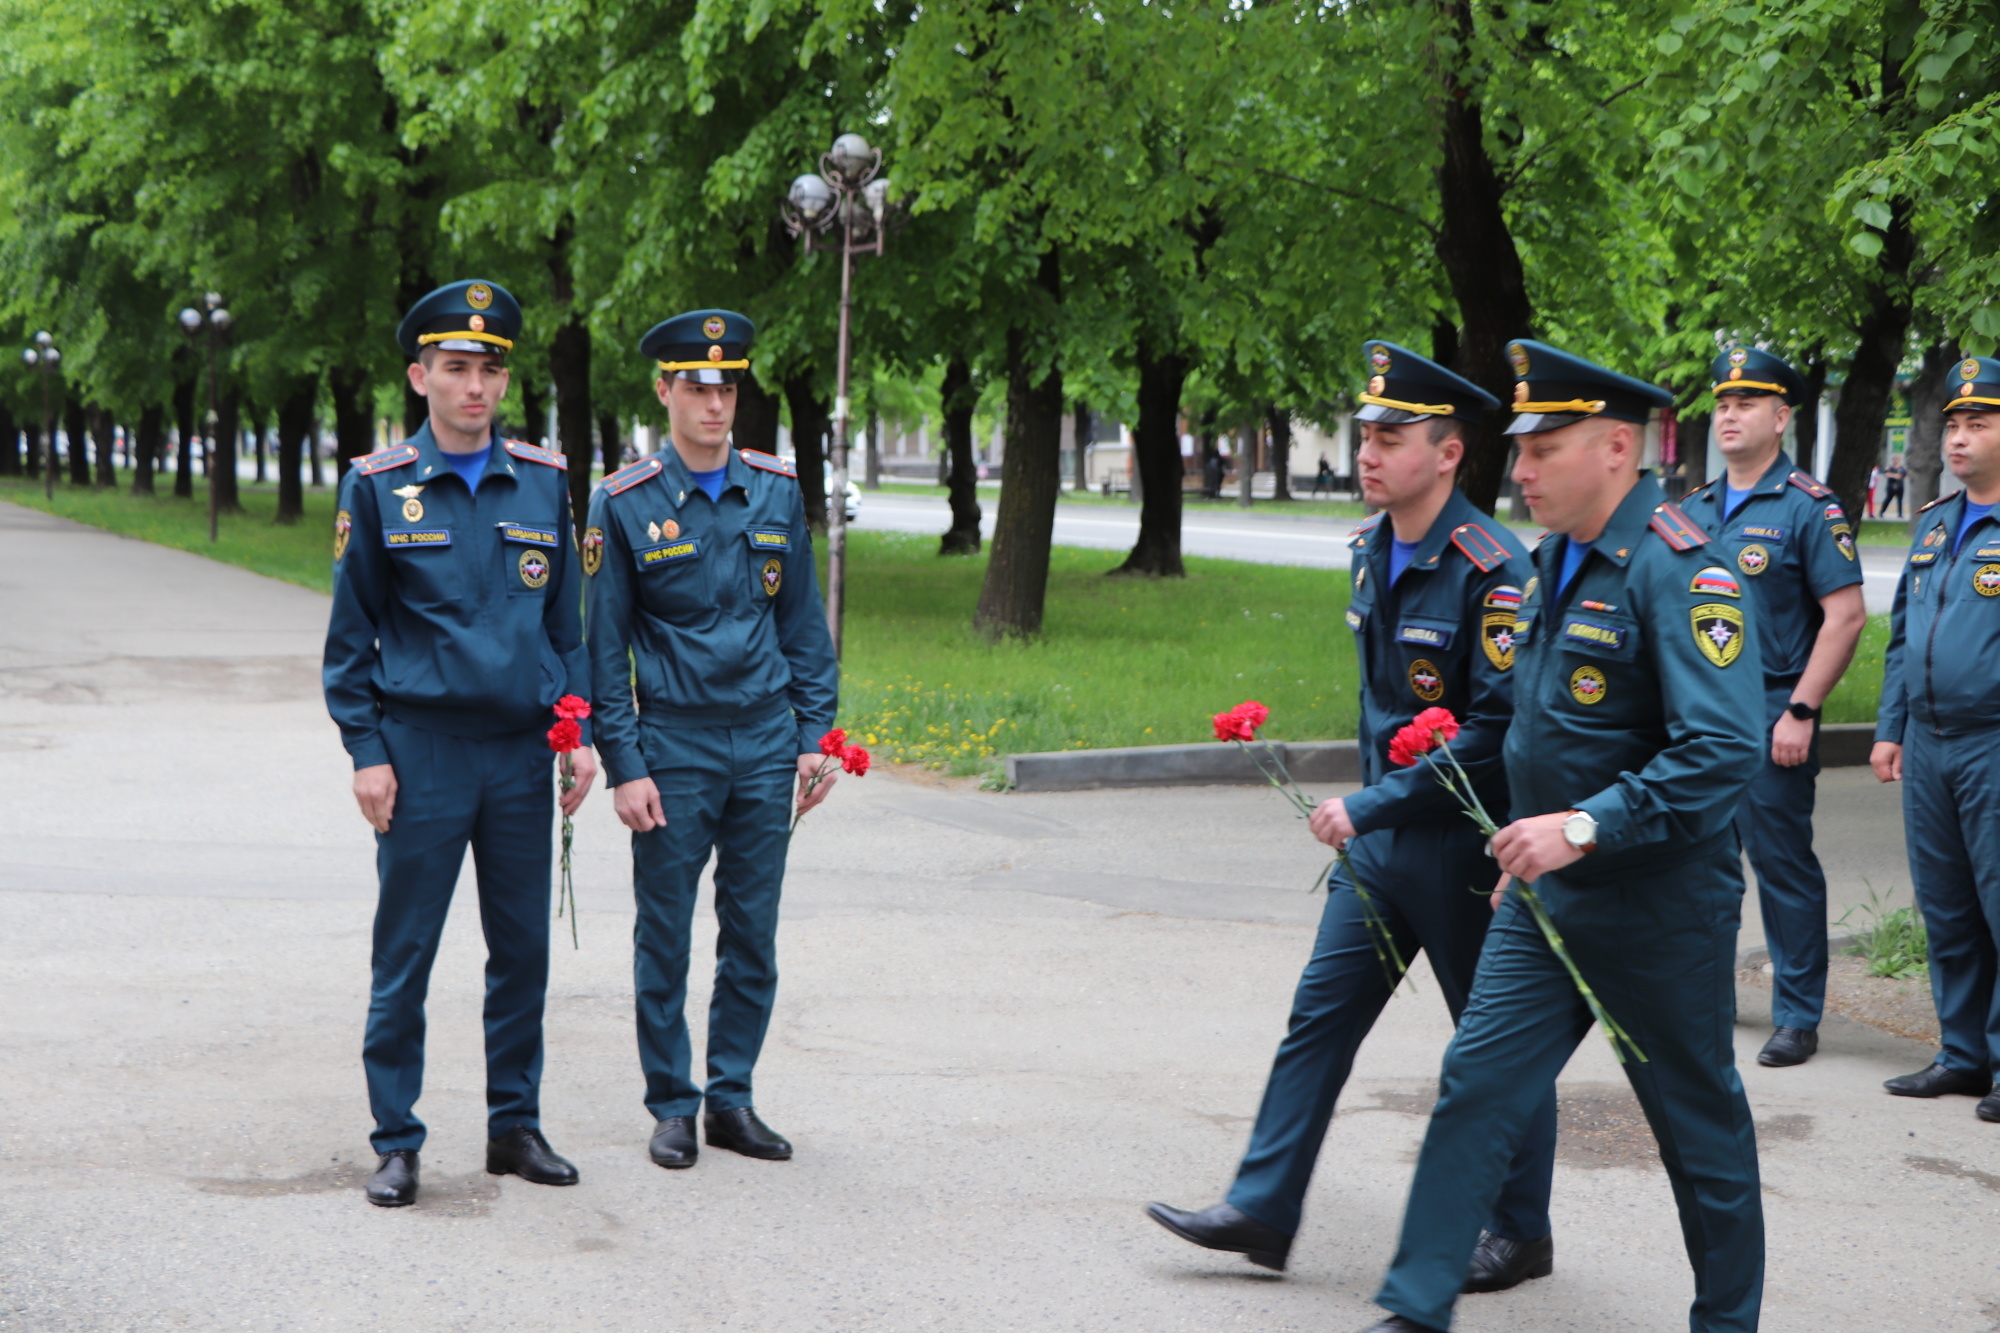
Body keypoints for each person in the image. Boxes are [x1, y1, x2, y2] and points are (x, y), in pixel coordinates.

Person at [1357, 340, 1766, 1333]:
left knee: (1695, 1129)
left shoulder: (1678, 569)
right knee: (1474, 1084)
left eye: (1544, 447)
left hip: (1657, 908)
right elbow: (1535, 731)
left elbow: (1722, 748)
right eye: (1519, 448)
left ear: (1617, 448)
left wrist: (1580, 829)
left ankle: (1725, 1323)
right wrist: (1521, 845)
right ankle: (1413, 1310)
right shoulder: (1549, 565)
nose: (1521, 469)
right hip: (1546, 898)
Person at [1146, 343, 1559, 1291]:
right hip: (1380, 845)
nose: (1367, 451)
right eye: (1363, 433)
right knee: (1318, 1018)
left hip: (1462, 843)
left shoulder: (1493, 571)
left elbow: (1497, 730)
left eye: (1391, 435)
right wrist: (1372, 814)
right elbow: (1388, 713)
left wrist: (1370, 802)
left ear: (1449, 453)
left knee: (1488, 1044)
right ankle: (1263, 1204)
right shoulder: (1372, 549)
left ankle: (1520, 1228)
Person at [323, 279, 597, 1208]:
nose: (474, 386)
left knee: (522, 951)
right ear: (420, 376)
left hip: (521, 754)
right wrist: (366, 749)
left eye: (488, 370)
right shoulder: (378, 485)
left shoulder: (546, 481)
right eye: (455, 369)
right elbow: (349, 641)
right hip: (423, 750)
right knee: (406, 953)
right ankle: (397, 1141)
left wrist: (580, 730)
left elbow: (567, 627)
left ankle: (513, 1126)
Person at [584, 309, 840, 1169]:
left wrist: (816, 736)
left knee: (752, 930)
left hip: (766, 742)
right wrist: (625, 764)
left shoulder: (773, 488)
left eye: (726, 386)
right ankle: (672, 1103)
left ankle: (732, 1096)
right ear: (665, 390)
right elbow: (602, 647)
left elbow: (804, 627)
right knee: (666, 932)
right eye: (696, 385)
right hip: (676, 746)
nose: (713, 401)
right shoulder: (622, 502)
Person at [1678, 348, 1867, 1068]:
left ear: (1782, 416)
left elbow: (1844, 615)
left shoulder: (1808, 507)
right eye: (1723, 403)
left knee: (1781, 862)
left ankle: (1796, 1012)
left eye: (1747, 403)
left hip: (1770, 709)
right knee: (1700, 862)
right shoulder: (1692, 510)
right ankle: (1707, 1000)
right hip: (1700, 717)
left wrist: (1803, 708)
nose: (1729, 414)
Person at [1871, 355, 2000, 1121]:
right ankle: (1962, 1053)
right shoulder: (1933, 525)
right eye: (1952, 423)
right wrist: (1889, 730)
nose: (1958, 437)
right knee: (1947, 904)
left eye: (1976, 423)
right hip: (1928, 742)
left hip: (1992, 741)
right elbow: (1900, 639)